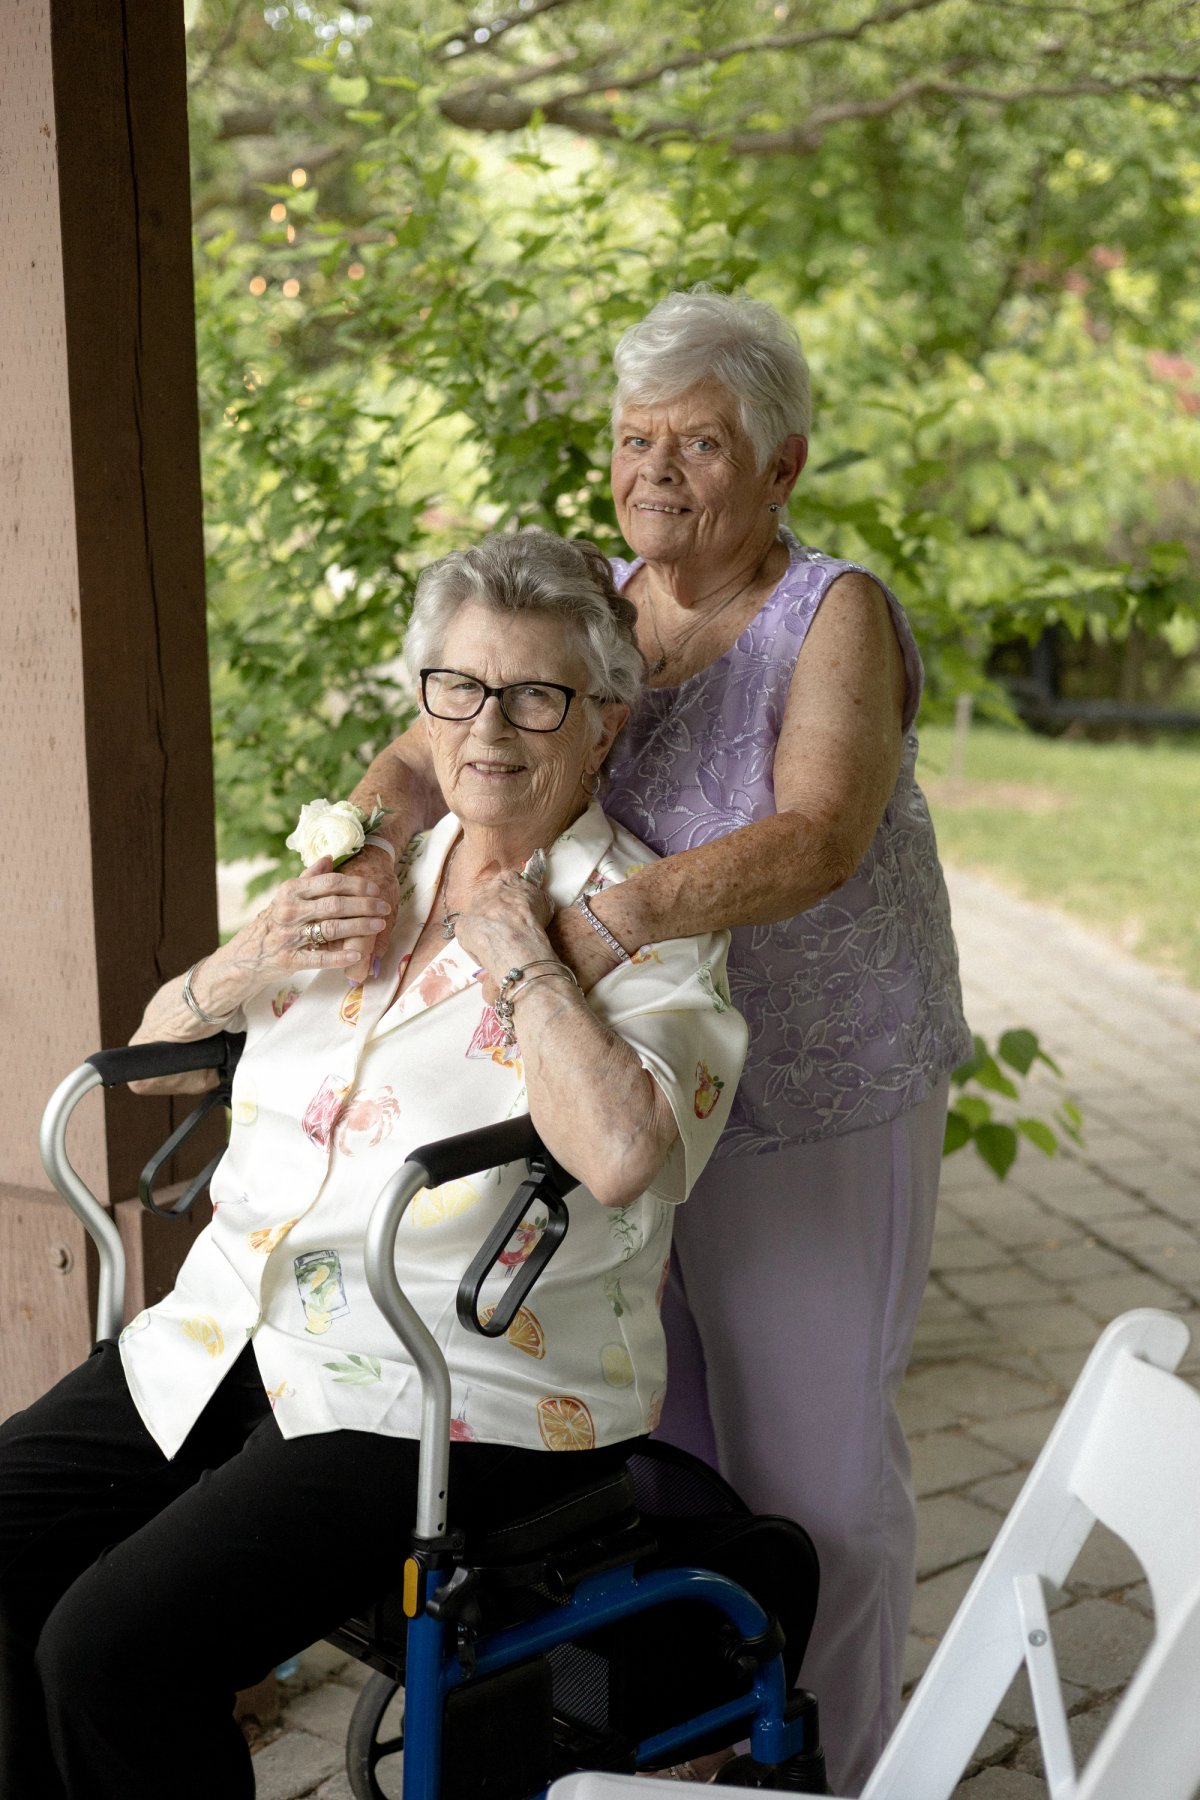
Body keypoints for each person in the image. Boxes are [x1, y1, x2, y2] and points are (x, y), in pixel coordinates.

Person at [336, 291, 973, 1793]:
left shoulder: (836, 614)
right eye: (636, 440)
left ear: (784, 464)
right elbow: (442, 736)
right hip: (640, 1101)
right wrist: (359, 844)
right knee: (656, 1446)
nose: (658, 472)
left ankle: (839, 1764)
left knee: (812, 1468)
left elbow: (816, 835)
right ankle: (699, 1740)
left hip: (817, 1096)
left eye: (700, 441)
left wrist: (606, 928)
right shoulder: (604, 605)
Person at [0, 529, 746, 1800]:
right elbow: (158, 1058)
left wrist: (519, 953)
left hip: (445, 1388)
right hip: (229, 1330)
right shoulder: (366, 874)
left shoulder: (641, 922)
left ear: (605, 725)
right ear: (423, 704)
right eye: (458, 688)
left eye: (537, 696)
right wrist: (247, 961)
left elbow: (626, 1156)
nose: (490, 730)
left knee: (113, 1651)